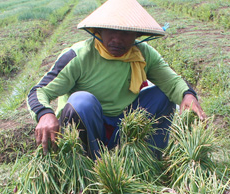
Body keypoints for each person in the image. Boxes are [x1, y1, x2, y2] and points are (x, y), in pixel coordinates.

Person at [27, 0, 206, 159]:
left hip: (123, 125)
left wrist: (188, 95)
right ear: (99, 30)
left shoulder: (143, 54)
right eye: (111, 31)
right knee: (81, 101)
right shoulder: (78, 56)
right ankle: (88, 166)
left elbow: (173, 83)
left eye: (126, 33)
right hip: (87, 127)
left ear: (137, 34)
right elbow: (39, 91)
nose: (117, 39)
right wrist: (45, 114)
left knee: (163, 95)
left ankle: (147, 162)